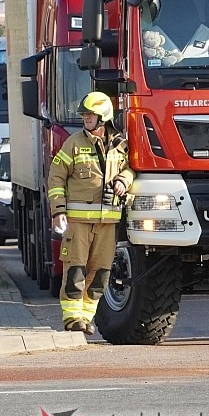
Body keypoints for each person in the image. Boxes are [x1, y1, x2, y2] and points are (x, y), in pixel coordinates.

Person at [46, 92, 134, 334]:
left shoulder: (120, 145)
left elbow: (131, 169)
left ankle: (86, 317)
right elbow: (55, 178)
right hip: (78, 222)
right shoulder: (73, 143)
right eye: (84, 114)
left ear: (103, 117)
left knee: (101, 274)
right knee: (75, 269)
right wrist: (58, 211)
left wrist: (123, 181)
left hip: (108, 222)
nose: (85, 118)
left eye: (90, 115)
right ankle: (72, 318)